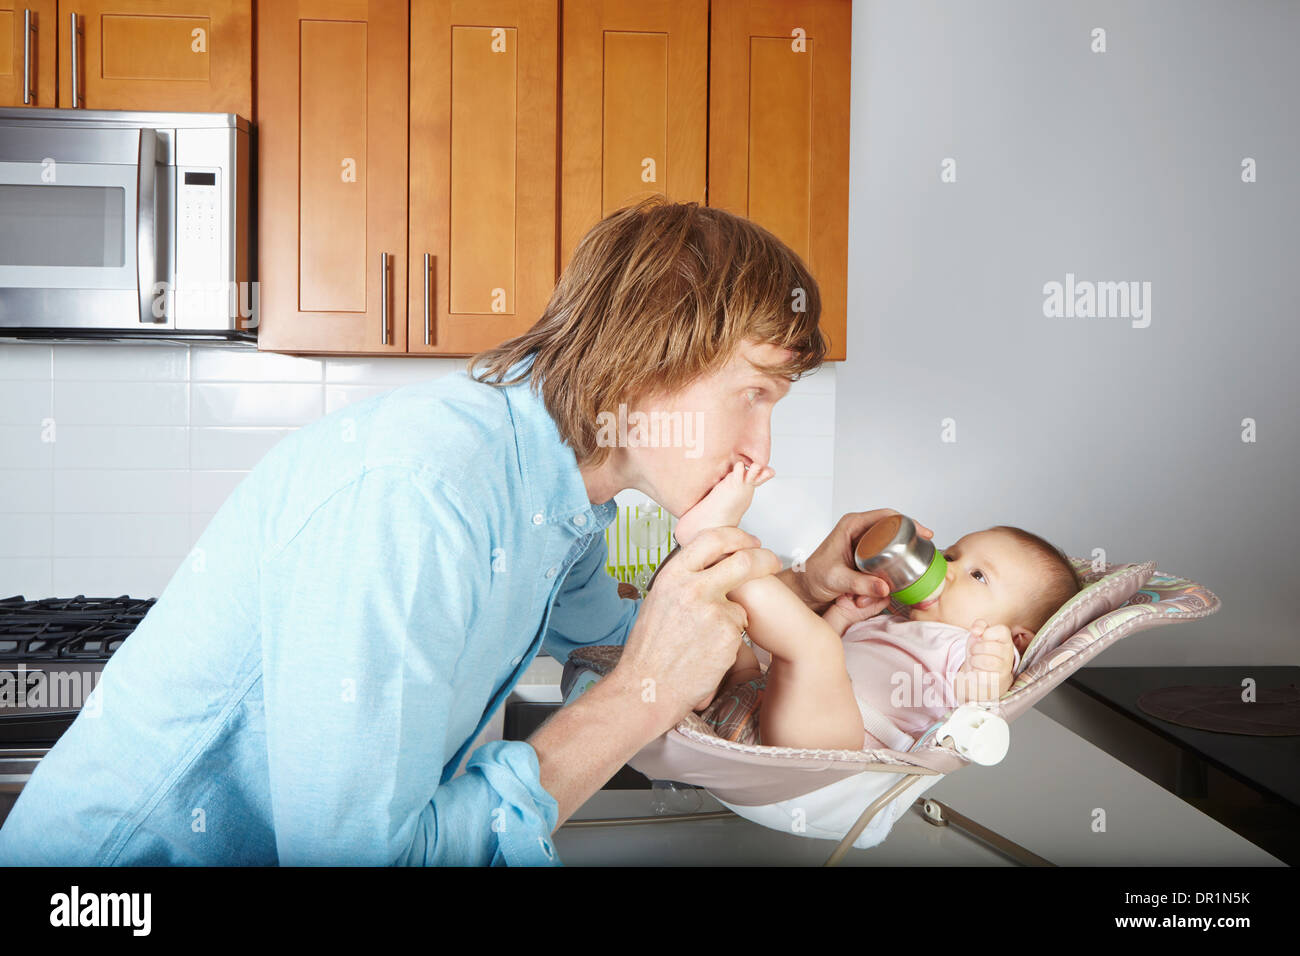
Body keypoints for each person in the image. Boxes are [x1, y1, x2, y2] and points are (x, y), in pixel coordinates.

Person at [0, 196, 928, 866]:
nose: (763, 455)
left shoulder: (568, 490)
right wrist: (642, 694)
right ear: (649, 359)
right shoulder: (418, 497)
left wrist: (802, 594)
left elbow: (617, 636)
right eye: (755, 396)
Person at [674, 462, 1081, 750]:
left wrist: (992, 668)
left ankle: (714, 544)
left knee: (810, 645)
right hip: (754, 704)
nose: (947, 569)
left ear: (1017, 635)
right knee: (732, 636)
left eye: (978, 576)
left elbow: (981, 703)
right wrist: (844, 616)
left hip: (830, 744)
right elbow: (818, 667)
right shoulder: (893, 621)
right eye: (952, 555)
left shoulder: (978, 649)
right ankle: (713, 558)